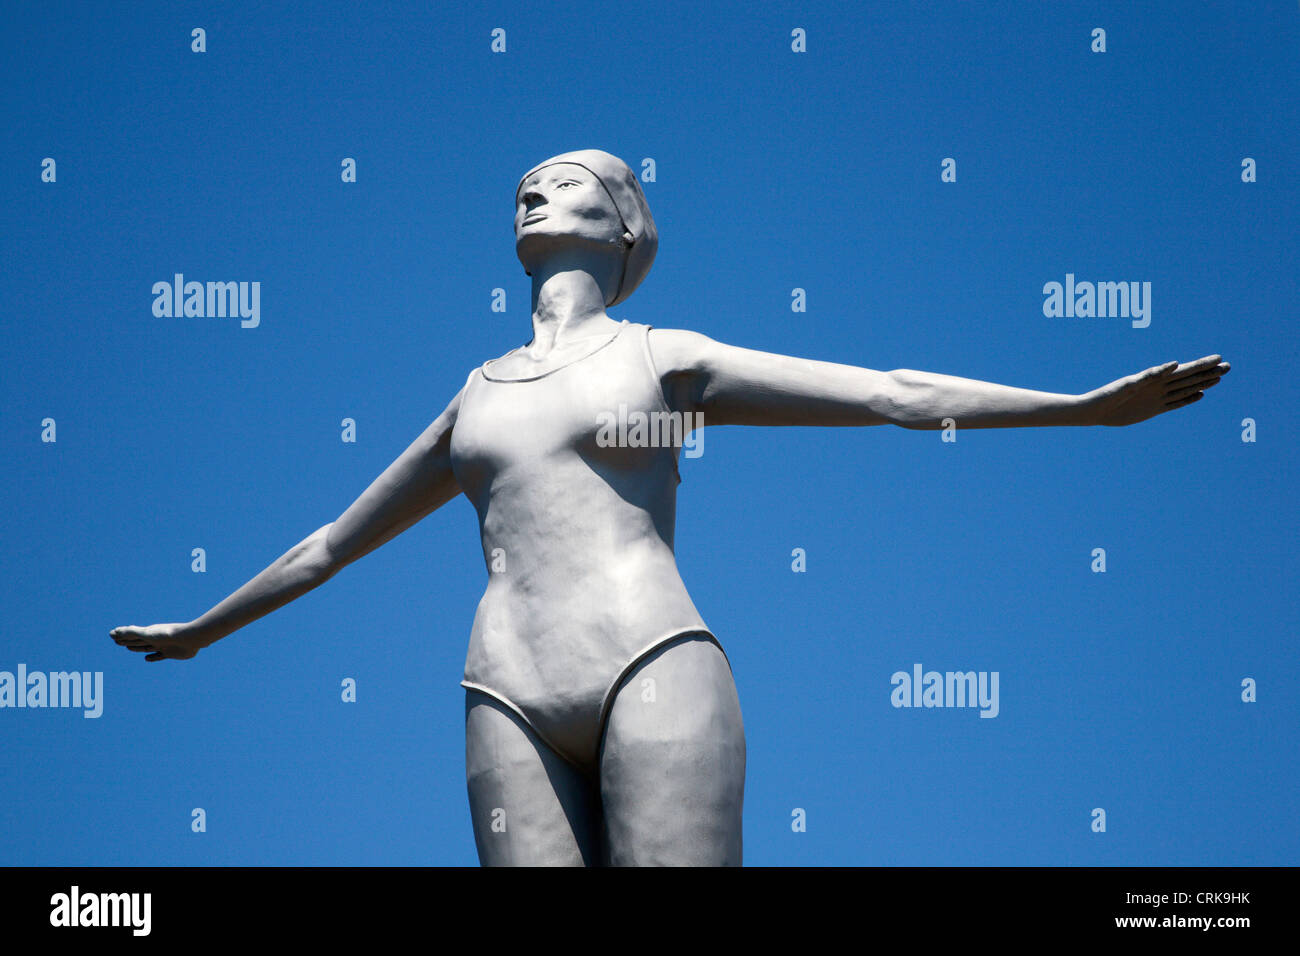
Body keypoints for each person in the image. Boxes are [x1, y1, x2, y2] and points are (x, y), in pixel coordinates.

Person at [111, 149, 1230, 866]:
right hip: (502, 687)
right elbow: (326, 546)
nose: (532, 187)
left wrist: (1081, 409)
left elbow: (891, 394)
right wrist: (199, 631)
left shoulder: (665, 356)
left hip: (652, 658)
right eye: (525, 182)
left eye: (567, 180)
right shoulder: (474, 394)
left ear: (620, 226)